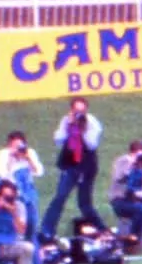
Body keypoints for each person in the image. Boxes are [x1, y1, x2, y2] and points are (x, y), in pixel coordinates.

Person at [41, 97, 109, 241]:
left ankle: (102, 229)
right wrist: (68, 126)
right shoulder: (66, 120)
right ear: (71, 110)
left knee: (84, 203)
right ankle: (47, 231)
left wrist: (83, 129)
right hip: (70, 165)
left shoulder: (92, 123)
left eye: (82, 111)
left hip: (86, 167)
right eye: (76, 110)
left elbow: (92, 145)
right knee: (60, 197)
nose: (79, 114)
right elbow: (58, 140)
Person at [0, 131, 44, 233]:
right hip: (10, 193)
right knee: (14, 222)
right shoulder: (3, 155)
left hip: (28, 192)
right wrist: (11, 159)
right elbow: (4, 176)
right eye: (14, 146)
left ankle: (31, 240)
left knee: (31, 221)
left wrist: (28, 159)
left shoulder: (30, 153)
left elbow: (39, 172)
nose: (18, 149)